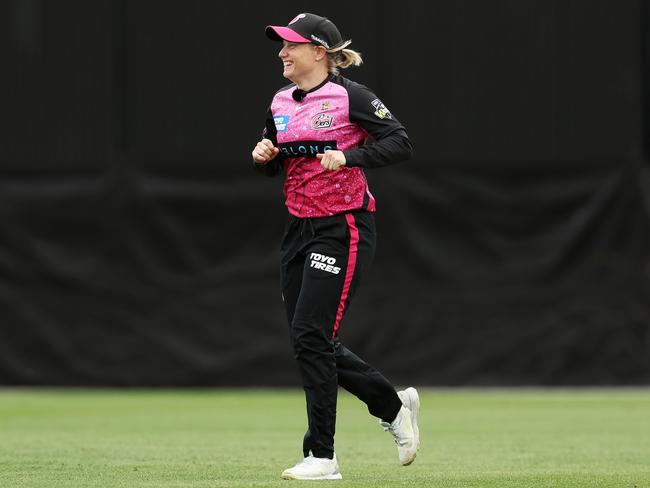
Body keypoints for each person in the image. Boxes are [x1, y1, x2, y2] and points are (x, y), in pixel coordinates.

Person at [251, 12, 419, 481]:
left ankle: (322, 456)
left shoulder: (351, 95)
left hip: (342, 225)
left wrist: (349, 155)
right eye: (280, 46)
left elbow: (400, 142)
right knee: (311, 341)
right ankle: (392, 404)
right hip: (298, 228)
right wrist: (264, 154)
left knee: (311, 335)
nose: (282, 53)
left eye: (291, 45)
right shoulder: (282, 100)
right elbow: (276, 154)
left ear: (319, 51)